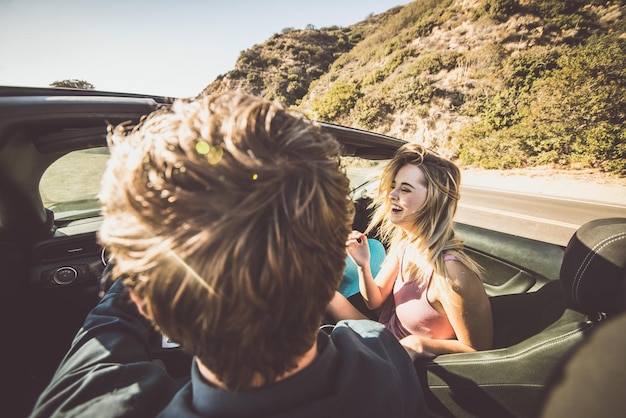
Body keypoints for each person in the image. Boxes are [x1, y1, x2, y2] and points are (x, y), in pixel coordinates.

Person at [29, 92, 425, 417]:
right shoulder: (380, 353)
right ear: (332, 269)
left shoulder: (88, 406)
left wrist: (142, 265)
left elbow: (105, 330)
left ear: (146, 300)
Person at [327, 143, 493, 361]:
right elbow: (373, 302)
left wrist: (421, 344)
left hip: (400, 369)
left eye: (405, 189)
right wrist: (363, 266)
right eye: (394, 186)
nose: (392, 194)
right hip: (383, 342)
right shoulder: (406, 245)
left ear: (433, 200)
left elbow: (481, 353)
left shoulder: (453, 275)